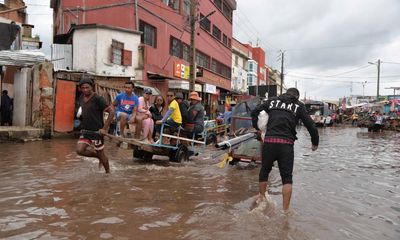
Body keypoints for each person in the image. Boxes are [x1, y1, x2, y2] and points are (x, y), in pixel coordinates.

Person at [251, 88, 319, 211]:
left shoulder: (272, 101)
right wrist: (315, 142)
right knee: (287, 178)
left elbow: (255, 111)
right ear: (297, 97)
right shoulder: (299, 106)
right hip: (286, 144)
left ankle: (261, 198)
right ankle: (285, 211)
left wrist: (257, 127)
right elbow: (311, 125)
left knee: (264, 171)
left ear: (286, 93)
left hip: (269, 142)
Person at [76, 78, 114, 173]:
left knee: (101, 153)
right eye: (83, 88)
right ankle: (98, 157)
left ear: (91, 87)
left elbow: (111, 112)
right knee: (79, 150)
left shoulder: (98, 99)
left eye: (87, 87)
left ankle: (108, 173)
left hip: (97, 132)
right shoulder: (81, 97)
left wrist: (104, 129)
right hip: (86, 131)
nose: (85, 90)